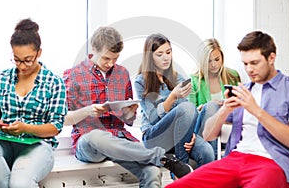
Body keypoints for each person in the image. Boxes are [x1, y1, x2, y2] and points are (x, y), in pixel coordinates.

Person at [63, 26, 193, 188]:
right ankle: (163, 158)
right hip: (88, 141)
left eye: (115, 59)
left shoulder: (122, 73)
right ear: (94, 49)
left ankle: (160, 160)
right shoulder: (74, 74)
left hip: (119, 140)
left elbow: (129, 121)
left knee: (152, 172)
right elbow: (63, 120)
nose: (110, 64)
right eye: (106, 58)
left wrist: (129, 113)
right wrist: (88, 110)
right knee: (96, 136)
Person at [165, 31, 289, 188]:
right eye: (245, 64)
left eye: (254, 63)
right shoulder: (242, 89)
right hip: (235, 159)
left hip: (272, 161)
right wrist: (224, 110)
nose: (249, 70)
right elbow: (207, 135)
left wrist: (256, 110)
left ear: (271, 58)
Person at [0, 18, 67, 188]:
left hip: (37, 146)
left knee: (20, 183)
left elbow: (55, 127)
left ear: (39, 53)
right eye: (17, 59)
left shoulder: (54, 82)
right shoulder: (1, 78)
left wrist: (26, 128)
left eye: (28, 59)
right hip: (3, 142)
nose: (22, 66)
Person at [134, 33, 215, 172]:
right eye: (159, 54)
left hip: (179, 135)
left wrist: (192, 135)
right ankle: (181, 170)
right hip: (155, 137)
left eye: (168, 52)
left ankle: (195, 179)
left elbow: (187, 115)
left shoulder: (179, 78)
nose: (166, 57)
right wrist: (172, 96)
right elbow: (153, 118)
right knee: (187, 107)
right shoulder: (141, 81)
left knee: (207, 151)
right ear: (150, 57)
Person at [189, 38, 241, 158]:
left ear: (222, 57)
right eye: (209, 61)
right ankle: (215, 159)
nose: (214, 64)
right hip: (204, 128)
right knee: (211, 106)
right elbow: (190, 114)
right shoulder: (193, 80)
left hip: (227, 123)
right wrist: (202, 108)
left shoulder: (232, 76)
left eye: (217, 59)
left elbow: (240, 105)